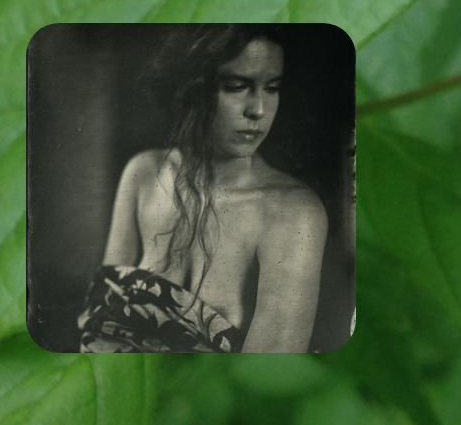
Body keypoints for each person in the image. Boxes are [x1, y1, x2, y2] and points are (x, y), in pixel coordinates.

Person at [78, 25, 327, 352]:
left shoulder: (292, 213)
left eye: (271, 88)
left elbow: (271, 364)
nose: (258, 110)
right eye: (237, 87)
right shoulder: (144, 174)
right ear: (192, 89)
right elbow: (98, 316)